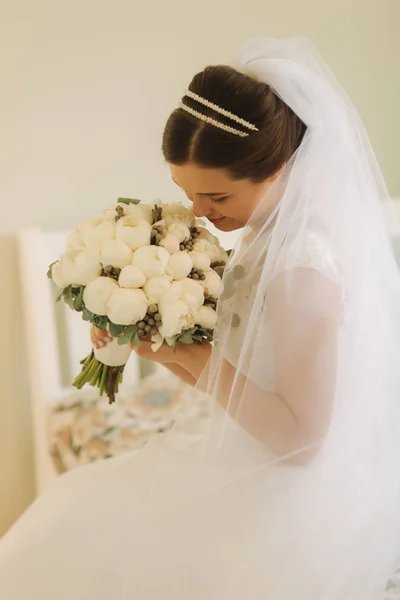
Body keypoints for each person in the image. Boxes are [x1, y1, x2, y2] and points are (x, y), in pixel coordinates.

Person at [1, 37, 400, 600]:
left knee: (71, 530)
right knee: (75, 514)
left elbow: (303, 439)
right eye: (185, 193)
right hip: (238, 446)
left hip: (285, 490)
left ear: (283, 165)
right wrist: (156, 344)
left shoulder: (303, 264)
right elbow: (239, 385)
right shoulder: (265, 234)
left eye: (216, 196)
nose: (199, 213)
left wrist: (192, 355)